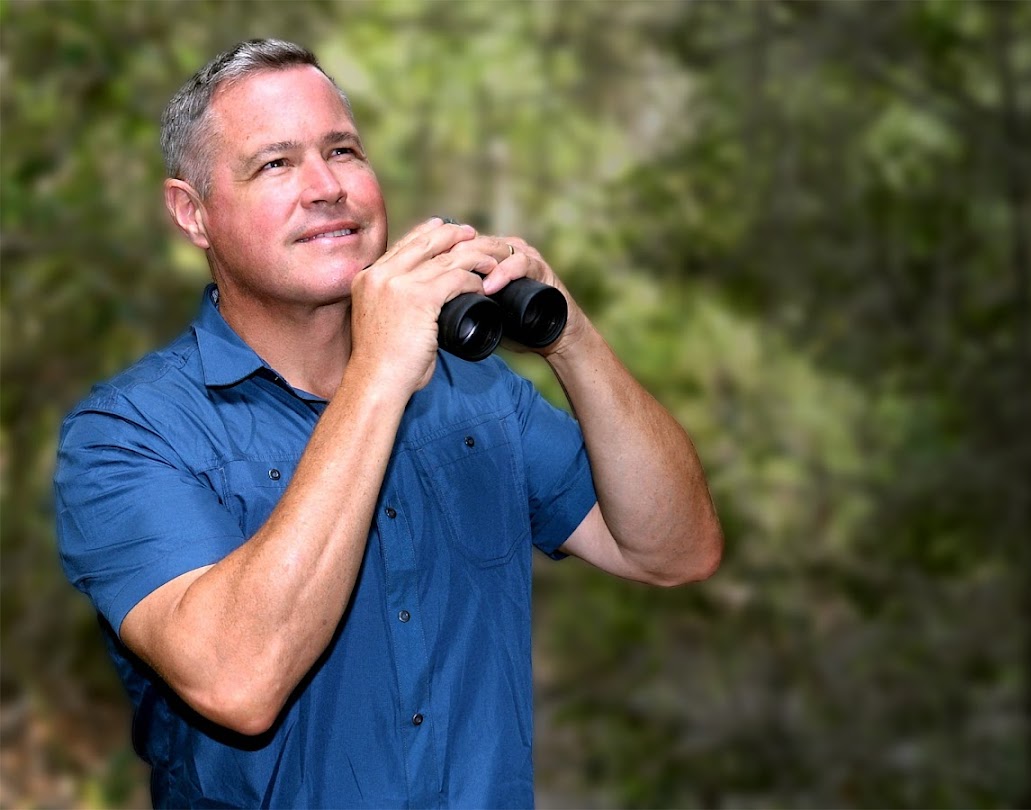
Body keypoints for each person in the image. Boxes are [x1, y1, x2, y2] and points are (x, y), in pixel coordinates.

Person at [53, 38, 722, 808]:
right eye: (275, 164)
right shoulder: (128, 434)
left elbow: (676, 551)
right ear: (192, 213)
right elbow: (238, 680)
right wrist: (377, 375)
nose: (325, 187)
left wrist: (570, 338)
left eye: (342, 150)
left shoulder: (474, 392)